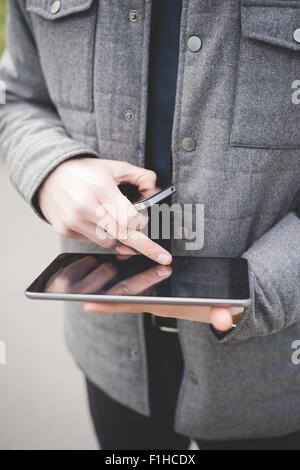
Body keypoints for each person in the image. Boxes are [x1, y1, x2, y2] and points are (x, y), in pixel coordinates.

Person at [0, 0, 300, 450]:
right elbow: (18, 98)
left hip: (275, 376)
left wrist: (267, 285)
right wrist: (51, 171)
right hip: (111, 358)